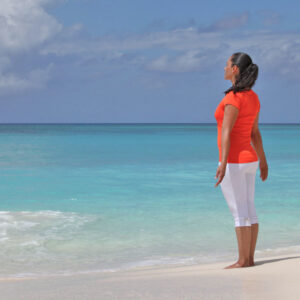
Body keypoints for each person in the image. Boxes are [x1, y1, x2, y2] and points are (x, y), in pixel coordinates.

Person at [214, 52, 268, 269]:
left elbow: (226, 131)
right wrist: (263, 161)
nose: (224, 68)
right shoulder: (253, 98)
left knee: (239, 212)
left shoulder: (232, 99)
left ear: (235, 69)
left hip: (235, 162)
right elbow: (255, 133)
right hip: (249, 160)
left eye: (227, 65)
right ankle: (250, 258)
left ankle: (243, 260)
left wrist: (223, 163)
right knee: (249, 209)